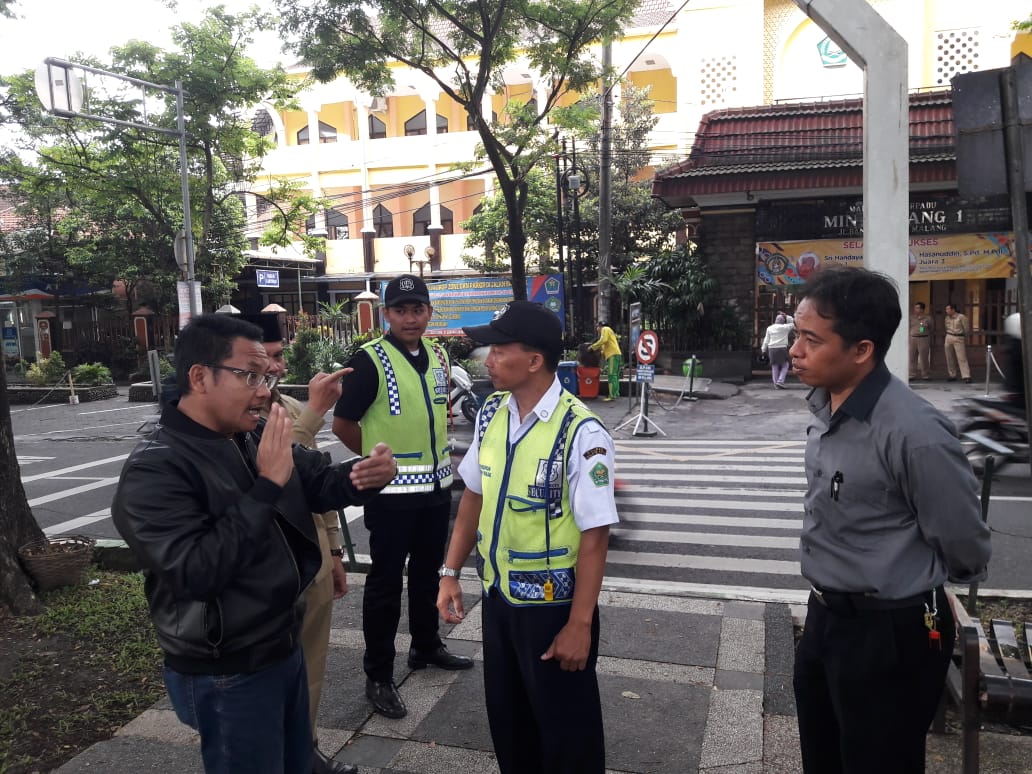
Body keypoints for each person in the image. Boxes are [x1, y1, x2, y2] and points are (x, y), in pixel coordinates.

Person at [112, 313, 397, 774]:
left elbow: (317, 481)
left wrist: (364, 475)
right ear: (200, 376)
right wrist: (266, 485)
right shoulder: (157, 468)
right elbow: (196, 571)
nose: (264, 390)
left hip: (282, 641)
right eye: (249, 375)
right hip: (227, 666)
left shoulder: (249, 434)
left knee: (295, 760)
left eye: (265, 376)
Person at [787, 267, 991, 774]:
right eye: (796, 334)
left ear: (861, 350)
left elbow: (964, 541)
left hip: (889, 634)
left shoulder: (915, 432)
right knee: (823, 755)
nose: (795, 350)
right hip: (824, 618)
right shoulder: (825, 405)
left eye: (812, 339)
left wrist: (915, 582)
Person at [437, 300, 619, 774]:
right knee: (510, 724)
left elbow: (596, 537)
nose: (488, 360)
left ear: (534, 360)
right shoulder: (492, 412)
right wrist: (450, 572)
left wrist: (579, 625)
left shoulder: (581, 432)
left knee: (566, 733)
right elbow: (473, 497)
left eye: (499, 349)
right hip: (499, 600)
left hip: (553, 609)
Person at [332, 274, 472, 721]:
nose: (410, 318)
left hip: (435, 491)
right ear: (386, 315)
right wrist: (377, 465)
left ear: (429, 312)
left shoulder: (438, 355)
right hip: (390, 495)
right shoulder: (370, 360)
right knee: (385, 586)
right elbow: (343, 424)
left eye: (418, 309)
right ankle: (378, 675)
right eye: (400, 310)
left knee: (429, 575)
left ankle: (426, 646)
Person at [247, 313, 357, 774]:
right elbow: (274, 468)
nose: (274, 369)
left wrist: (333, 551)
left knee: (310, 666)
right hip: (268, 572)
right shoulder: (240, 421)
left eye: (276, 357)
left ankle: (304, 749)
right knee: (266, 680)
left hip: (310, 561)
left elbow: (313, 484)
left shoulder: (289, 408)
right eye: (263, 361)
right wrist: (315, 413)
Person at [760, 312, 795, 388]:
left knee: (774, 366)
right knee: (785, 365)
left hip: (771, 349)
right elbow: (794, 322)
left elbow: (766, 340)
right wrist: (787, 316)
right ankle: (780, 381)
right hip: (782, 348)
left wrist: (763, 349)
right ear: (783, 321)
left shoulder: (769, 328)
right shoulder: (785, 327)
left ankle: (776, 384)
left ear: (776, 320)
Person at [589, 320, 622, 400]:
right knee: (615, 375)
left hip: (612, 355)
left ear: (600, 326)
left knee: (611, 375)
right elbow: (604, 346)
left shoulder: (605, 329)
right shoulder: (608, 332)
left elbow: (603, 340)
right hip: (616, 354)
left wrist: (592, 347)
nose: (597, 329)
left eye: (597, 327)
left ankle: (611, 396)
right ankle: (616, 393)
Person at [944, 302, 971, 383]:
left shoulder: (961, 317)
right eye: (946, 309)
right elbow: (946, 327)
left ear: (953, 309)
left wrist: (963, 336)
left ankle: (966, 376)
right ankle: (952, 374)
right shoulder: (947, 318)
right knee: (949, 357)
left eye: (948, 309)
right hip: (949, 337)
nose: (946, 311)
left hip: (958, 337)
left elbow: (966, 328)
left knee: (961, 357)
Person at [908, 301, 933, 380]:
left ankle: (925, 375)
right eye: (915, 308)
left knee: (924, 358)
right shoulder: (911, 318)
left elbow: (931, 328)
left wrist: (926, 327)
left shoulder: (928, 318)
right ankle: (912, 374)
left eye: (917, 308)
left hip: (923, 338)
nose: (915, 309)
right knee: (912, 357)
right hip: (913, 338)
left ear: (922, 309)